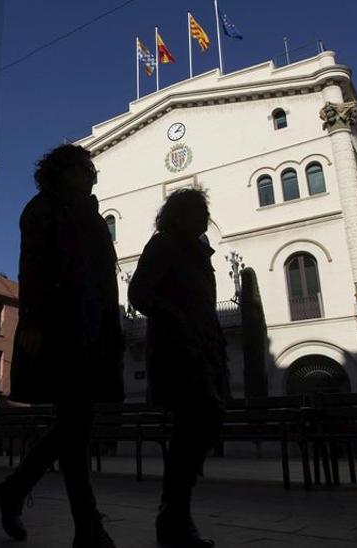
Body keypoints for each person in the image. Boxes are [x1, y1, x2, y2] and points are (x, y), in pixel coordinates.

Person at [0, 144, 124, 548]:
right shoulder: (43, 209)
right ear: (64, 172)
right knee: (76, 423)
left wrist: (110, 329)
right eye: (84, 169)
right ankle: (86, 525)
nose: (92, 176)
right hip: (63, 326)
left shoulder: (90, 215)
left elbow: (103, 281)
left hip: (90, 329)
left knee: (74, 424)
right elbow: (32, 267)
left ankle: (17, 490)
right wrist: (31, 320)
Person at [128, 188, 228, 548]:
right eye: (199, 210)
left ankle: (174, 515)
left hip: (200, 350)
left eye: (206, 210)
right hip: (177, 352)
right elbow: (138, 293)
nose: (205, 217)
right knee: (196, 426)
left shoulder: (198, 252)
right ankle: (173, 518)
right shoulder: (164, 245)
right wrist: (174, 317)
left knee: (200, 428)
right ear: (179, 214)